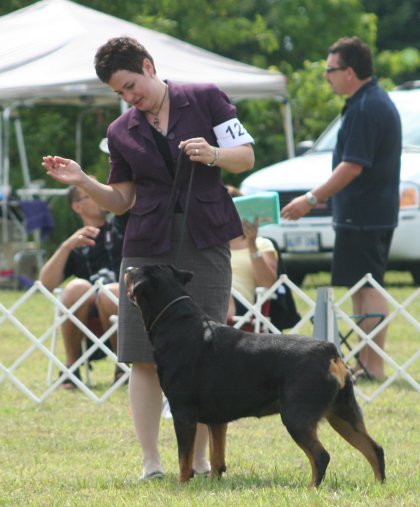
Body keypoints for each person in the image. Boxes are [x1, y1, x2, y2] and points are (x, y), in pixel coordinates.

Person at [42, 36, 254, 480]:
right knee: (141, 354)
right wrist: (83, 180)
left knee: (204, 351)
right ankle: (151, 464)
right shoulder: (120, 131)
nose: (129, 97)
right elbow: (121, 200)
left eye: (130, 85)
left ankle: (198, 461)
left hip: (205, 237)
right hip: (146, 244)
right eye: (119, 92)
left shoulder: (206, 97)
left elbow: (246, 158)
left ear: (148, 66)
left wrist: (214, 154)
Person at [281, 36, 401, 381]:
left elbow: (352, 166)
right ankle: (365, 362)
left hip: (364, 213)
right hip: (366, 212)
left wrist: (310, 199)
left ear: (350, 72)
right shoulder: (365, 101)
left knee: (369, 286)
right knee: (361, 286)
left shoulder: (366, 107)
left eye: (330, 69)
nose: (326, 76)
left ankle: (373, 365)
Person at [39, 181, 127, 388]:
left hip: (123, 310)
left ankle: (122, 367)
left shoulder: (123, 227)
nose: (99, 195)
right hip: (85, 320)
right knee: (76, 287)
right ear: (77, 206)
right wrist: (66, 247)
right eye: (90, 193)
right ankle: (72, 368)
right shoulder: (77, 243)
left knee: (109, 292)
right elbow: (45, 285)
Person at [226, 186, 278, 322]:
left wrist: (252, 245)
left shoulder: (262, 244)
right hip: (212, 294)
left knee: (221, 292)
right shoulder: (211, 244)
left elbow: (267, 284)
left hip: (240, 305)